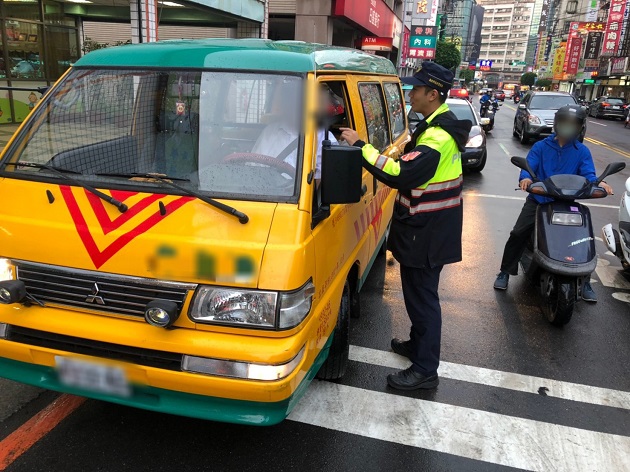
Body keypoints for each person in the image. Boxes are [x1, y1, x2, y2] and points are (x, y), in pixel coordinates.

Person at [340, 62, 472, 391]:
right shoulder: (433, 127)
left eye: (416, 89)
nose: (410, 93)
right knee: (418, 296)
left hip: (427, 233)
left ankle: (426, 369)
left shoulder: (437, 138)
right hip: (429, 229)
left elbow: (401, 174)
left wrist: (360, 146)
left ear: (433, 94)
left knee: (423, 299)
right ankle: (417, 345)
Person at [493, 105, 613, 300]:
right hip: (539, 200)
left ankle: (584, 281)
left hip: (567, 203)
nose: (568, 127)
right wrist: (526, 178)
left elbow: (589, 174)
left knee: (584, 238)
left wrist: (601, 183)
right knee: (518, 232)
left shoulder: (581, 151)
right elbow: (529, 167)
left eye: (573, 124)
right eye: (565, 123)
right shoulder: (541, 146)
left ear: (580, 127)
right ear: (557, 124)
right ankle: (505, 271)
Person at [251, 84, 340, 179]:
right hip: (266, 188)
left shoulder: (324, 138)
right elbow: (253, 165)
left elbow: (326, 180)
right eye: (290, 103)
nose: (295, 108)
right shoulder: (270, 131)